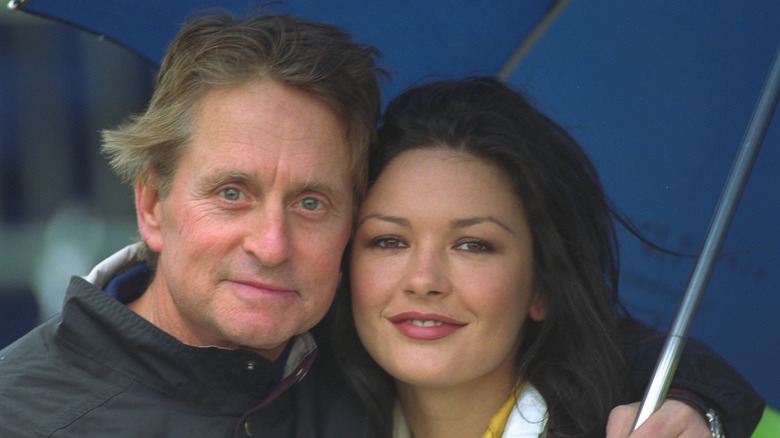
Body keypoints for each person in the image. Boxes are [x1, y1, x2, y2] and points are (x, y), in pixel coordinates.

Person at [0, 11, 761, 438]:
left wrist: (703, 407)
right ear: (151, 202)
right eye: (232, 192)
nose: (272, 245)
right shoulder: (28, 415)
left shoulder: (325, 349)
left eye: (312, 203)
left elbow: (593, 345)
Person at [332, 77, 765, 438]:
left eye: (473, 245)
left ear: (541, 285)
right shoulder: (297, 410)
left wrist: (702, 407)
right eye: (389, 241)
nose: (423, 279)